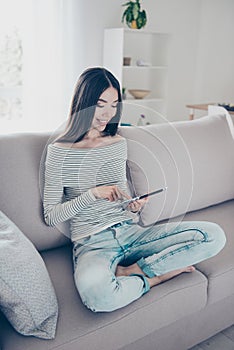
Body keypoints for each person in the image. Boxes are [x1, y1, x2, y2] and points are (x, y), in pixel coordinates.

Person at [43, 67, 226, 312]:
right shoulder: (59, 152)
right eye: (100, 104)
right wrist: (92, 194)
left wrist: (132, 206)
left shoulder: (117, 143)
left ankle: (134, 271)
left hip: (131, 233)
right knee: (98, 297)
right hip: (92, 243)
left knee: (214, 235)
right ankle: (157, 277)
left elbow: (122, 200)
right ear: (83, 102)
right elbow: (51, 215)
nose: (107, 113)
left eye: (114, 104)